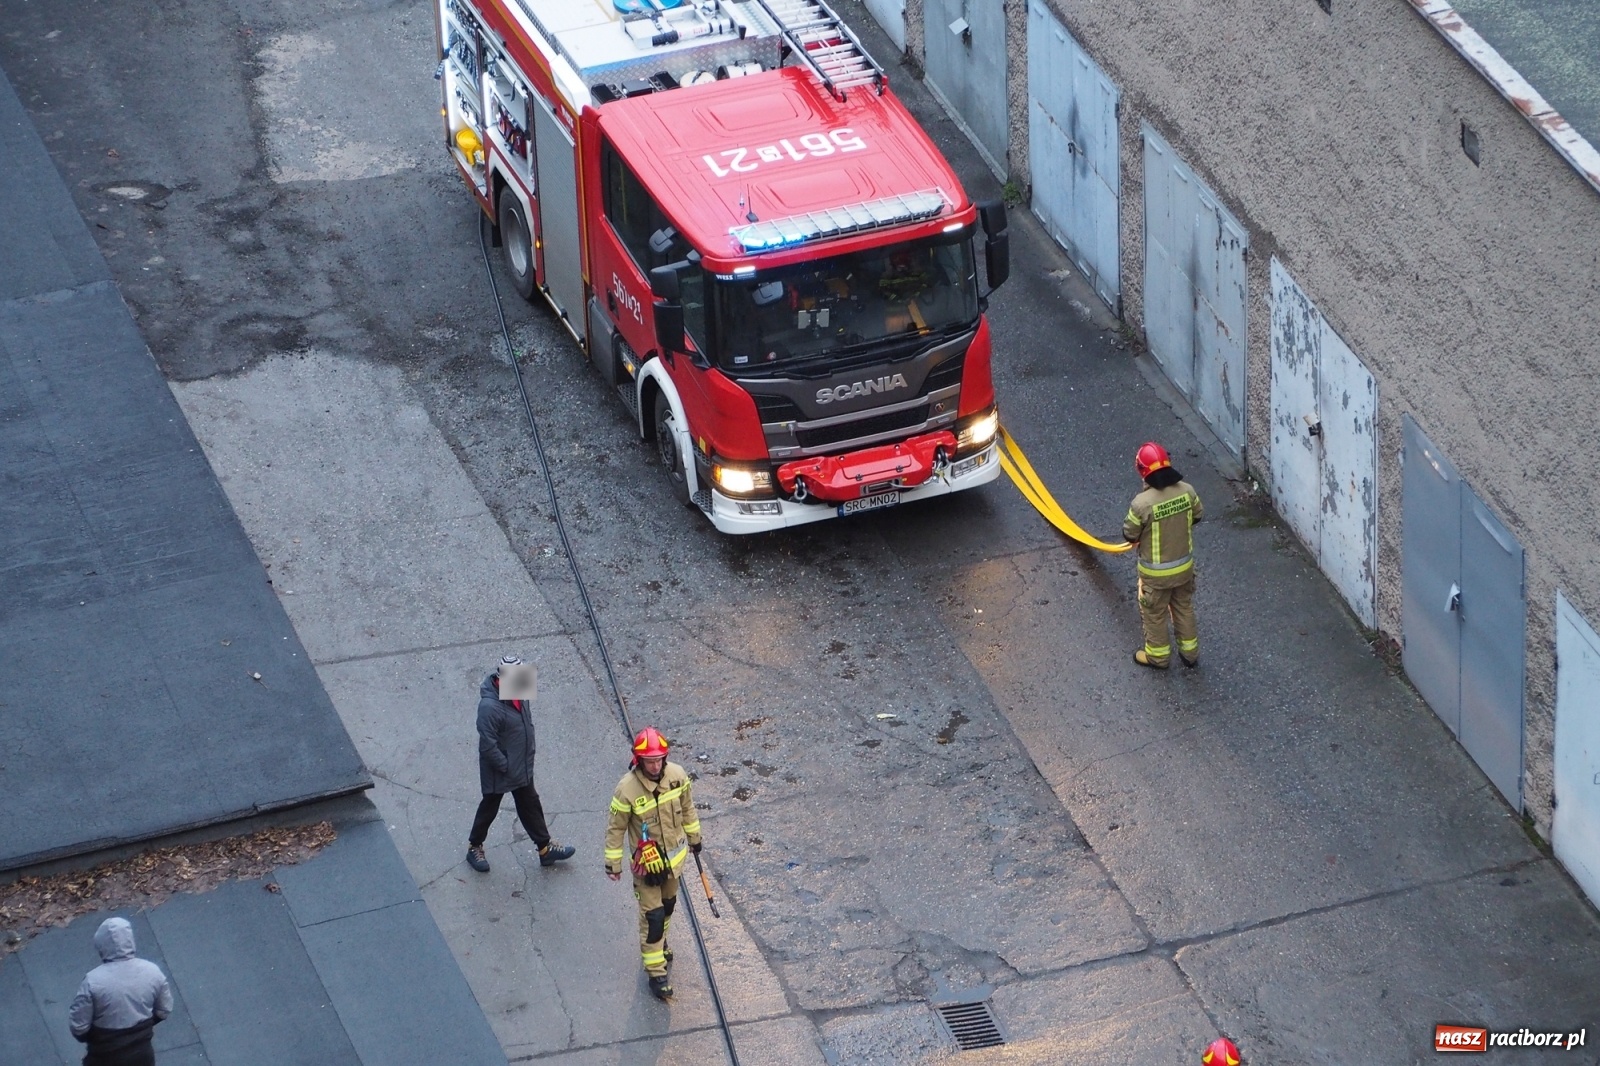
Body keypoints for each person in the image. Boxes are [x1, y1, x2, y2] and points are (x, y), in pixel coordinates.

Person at [604, 727, 701, 1001]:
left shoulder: (677, 777)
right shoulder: (626, 790)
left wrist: (695, 837)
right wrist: (613, 864)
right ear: (638, 760)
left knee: (668, 906)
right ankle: (656, 974)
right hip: (646, 869)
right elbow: (615, 829)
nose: (655, 765)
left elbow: (689, 808)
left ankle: (660, 944)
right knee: (653, 917)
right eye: (650, 760)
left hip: (673, 865)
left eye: (659, 759)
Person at [466, 656, 574, 873]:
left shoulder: (517, 690)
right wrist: (505, 766)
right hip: (501, 768)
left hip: (520, 763)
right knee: (490, 806)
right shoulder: (488, 707)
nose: (522, 683)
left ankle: (545, 848)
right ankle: (474, 846)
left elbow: (525, 723)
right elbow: (488, 745)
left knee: (530, 803)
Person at [1122, 441, 1204, 669]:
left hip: (1155, 577)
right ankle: (1190, 654)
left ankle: (1158, 657)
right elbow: (1198, 515)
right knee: (1183, 608)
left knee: (1154, 614)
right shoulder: (1187, 491)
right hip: (1184, 570)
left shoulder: (1141, 504)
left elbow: (1129, 534)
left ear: (1142, 471)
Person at [68, 917, 173, 1066]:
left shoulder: (92, 981)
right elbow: (164, 1010)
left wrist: (97, 1038)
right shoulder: (153, 972)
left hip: (103, 1058)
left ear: (101, 945)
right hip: (142, 1055)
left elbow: (79, 1028)